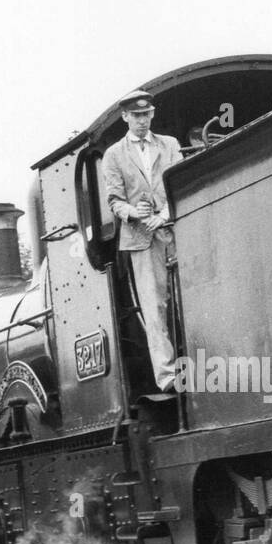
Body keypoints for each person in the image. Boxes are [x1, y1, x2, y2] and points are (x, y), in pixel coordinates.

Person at [101, 90, 183, 392]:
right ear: (125, 117)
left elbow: (180, 181)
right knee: (154, 305)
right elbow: (114, 201)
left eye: (146, 114)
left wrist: (164, 215)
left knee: (188, 294)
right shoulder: (113, 155)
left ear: (152, 114)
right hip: (140, 238)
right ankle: (167, 376)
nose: (142, 121)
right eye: (136, 116)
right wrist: (136, 213)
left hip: (174, 227)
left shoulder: (170, 145)